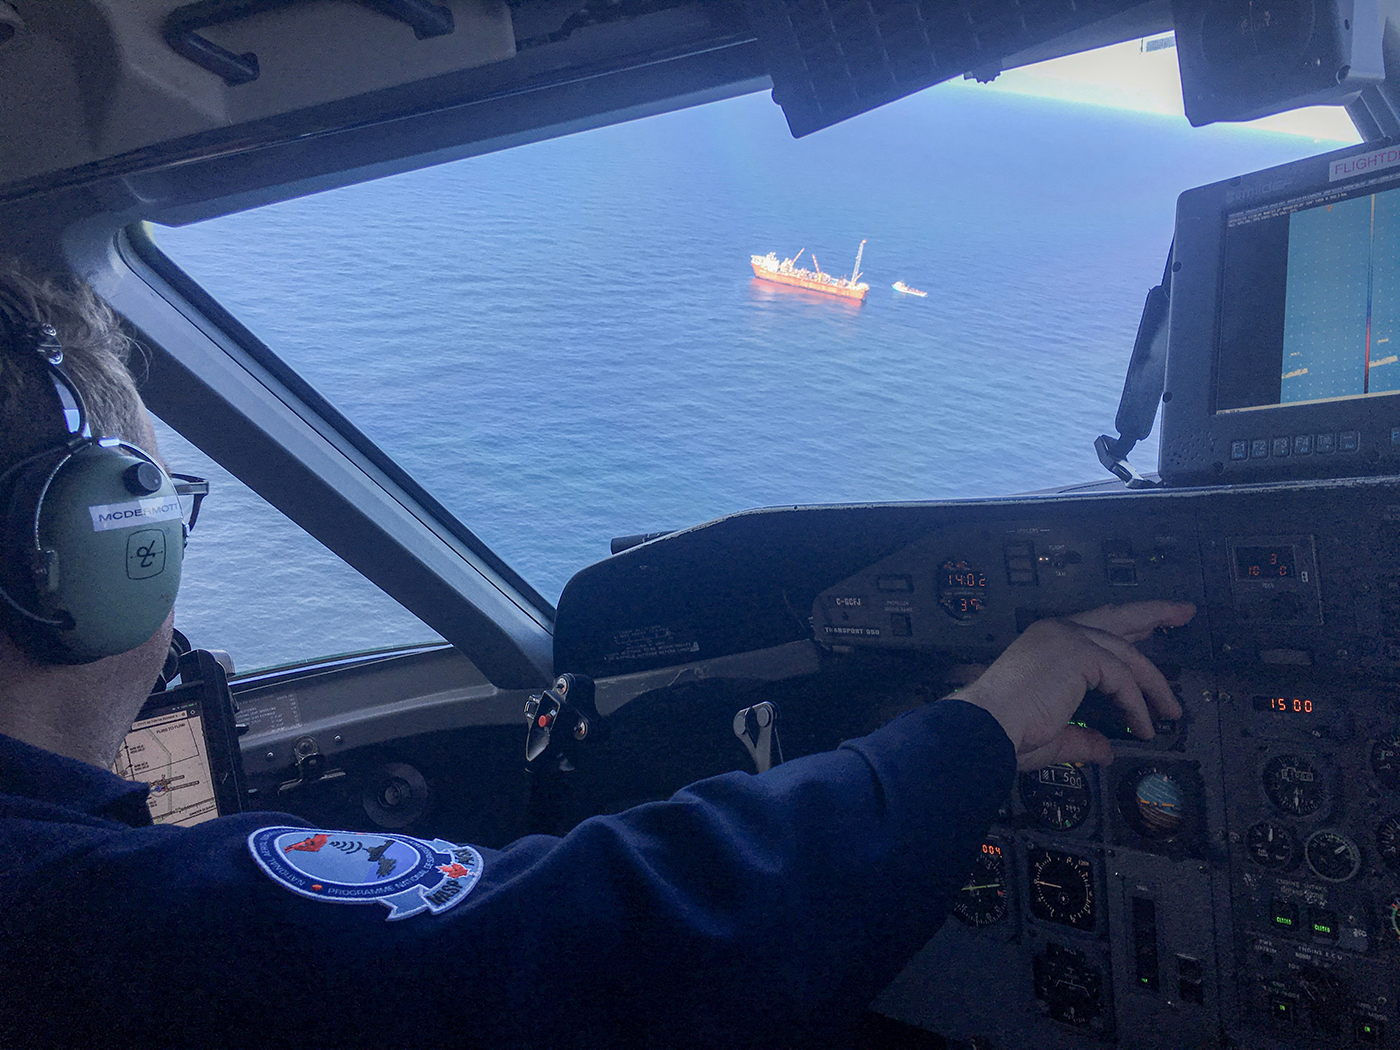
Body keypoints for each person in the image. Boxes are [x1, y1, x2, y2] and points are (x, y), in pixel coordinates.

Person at [0, 267, 1193, 1049]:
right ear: (87, 551)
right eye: (160, 514)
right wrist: (977, 727)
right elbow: (611, 943)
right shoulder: (87, 919)